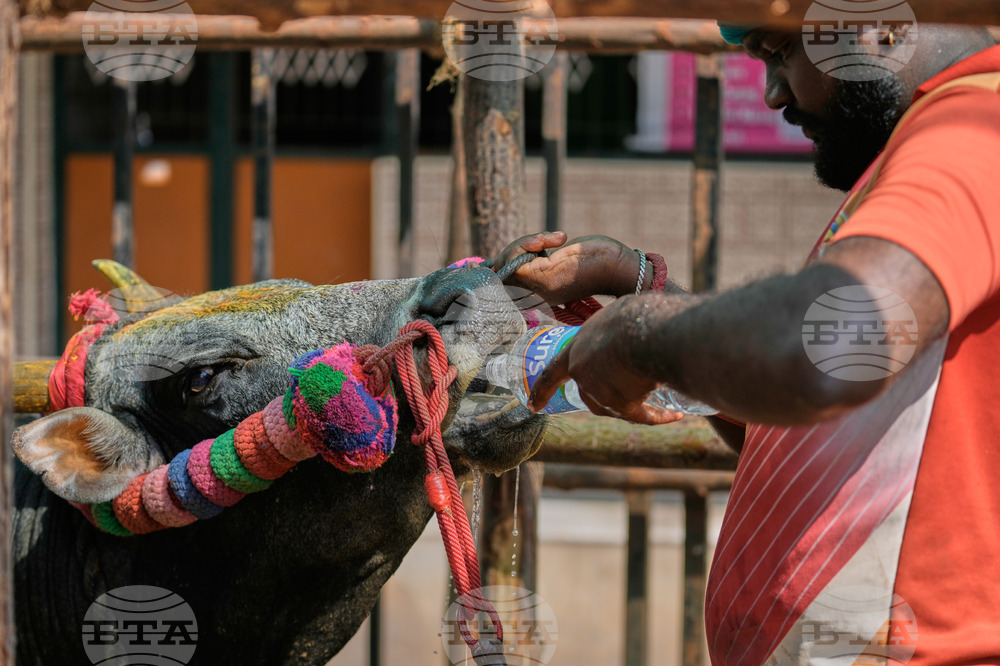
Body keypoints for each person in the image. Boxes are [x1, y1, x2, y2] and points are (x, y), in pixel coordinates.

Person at [491, 21, 1000, 666]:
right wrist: (639, 285)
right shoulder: (933, 139)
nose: (773, 94)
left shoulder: (970, 134)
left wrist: (639, 336)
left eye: (781, 51)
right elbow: (807, 427)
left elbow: (821, 349)